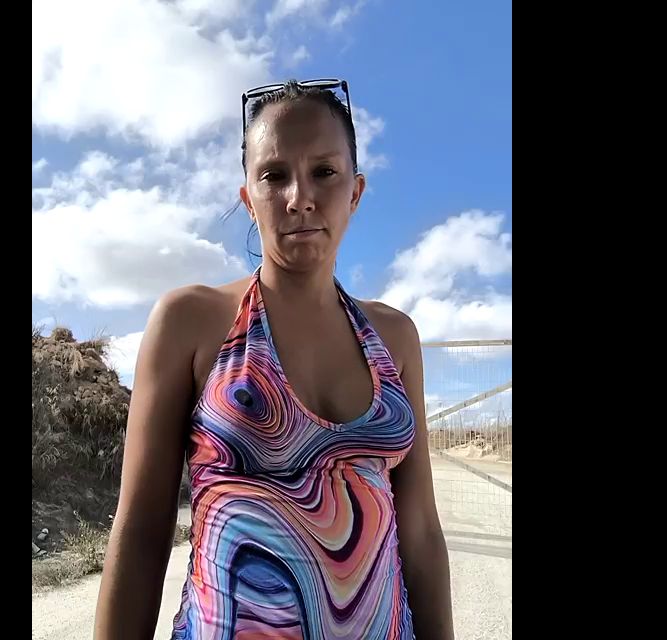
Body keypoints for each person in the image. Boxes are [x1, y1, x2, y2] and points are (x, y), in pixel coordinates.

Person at [94, 79, 454, 639]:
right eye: (274, 175)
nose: (299, 197)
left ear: (356, 191)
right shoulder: (190, 322)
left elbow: (422, 529)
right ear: (248, 197)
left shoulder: (395, 338)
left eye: (324, 172)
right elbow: (142, 529)